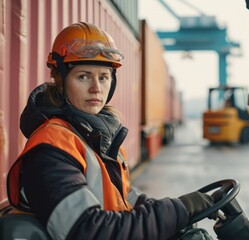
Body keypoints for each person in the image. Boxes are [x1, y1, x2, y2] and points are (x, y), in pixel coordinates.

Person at [6, 22, 214, 240]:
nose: (96, 88)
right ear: (60, 82)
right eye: (84, 76)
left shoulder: (95, 138)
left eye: (103, 77)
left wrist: (179, 209)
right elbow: (89, 230)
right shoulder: (51, 148)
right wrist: (176, 211)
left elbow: (125, 200)